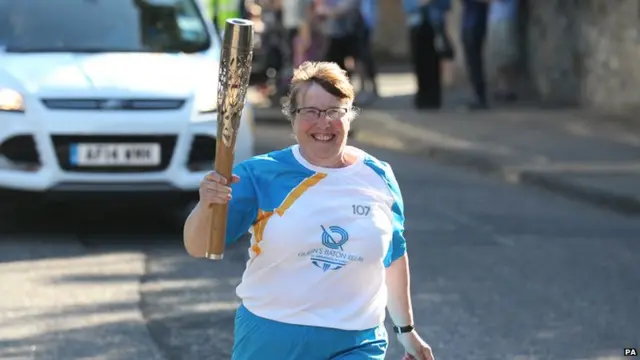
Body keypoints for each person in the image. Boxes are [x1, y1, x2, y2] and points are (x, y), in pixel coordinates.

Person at [183, 61, 435, 360]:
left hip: (357, 340)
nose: (324, 123)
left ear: (350, 116)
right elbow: (198, 247)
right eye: (311, 112)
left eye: (334, 111)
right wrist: (205, 204)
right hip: (272, 336)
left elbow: (393, 256)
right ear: (293, 118)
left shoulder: (379, 177)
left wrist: (406, 331)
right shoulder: (259, 175)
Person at [403, 0, 441, 109]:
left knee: (433, 63)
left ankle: (434, 98)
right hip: (416, 25)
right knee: (419, 63)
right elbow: (407, 7)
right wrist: (420, 4)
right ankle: (422, 96)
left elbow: (445, 5)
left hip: (433, 25)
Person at [488, 0, 519, 102]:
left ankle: (508, 88)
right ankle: (502, 86)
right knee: (498, 56)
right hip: (495, 19)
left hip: (505, 18)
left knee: (507, 56)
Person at [461, 0, 490, 110]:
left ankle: (480, 96)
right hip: (468, 24)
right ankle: (476, 95)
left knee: (475, 62)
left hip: (475, 24)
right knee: (471, 63)